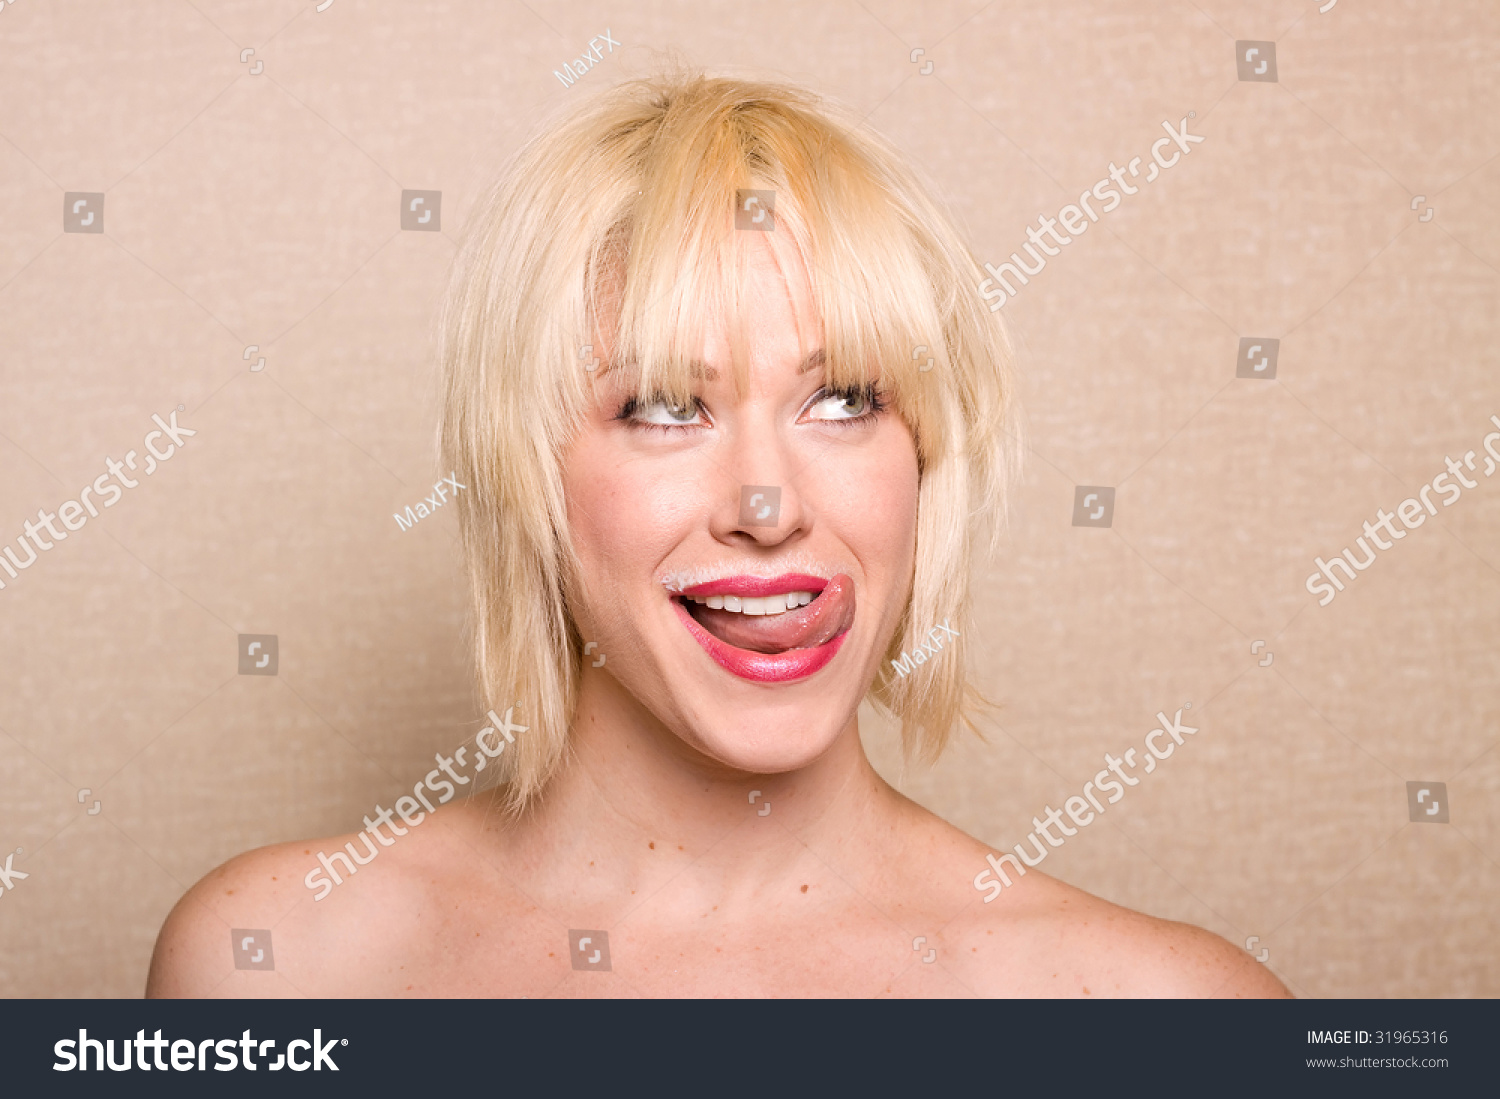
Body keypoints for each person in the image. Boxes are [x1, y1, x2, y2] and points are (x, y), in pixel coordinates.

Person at [147, 70, 1288, 998]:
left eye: (844, 398)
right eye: (660, 407)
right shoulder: (273, 966)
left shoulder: (1169, 1011)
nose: (768, 503)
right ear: (528, 475)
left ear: (924, 459)